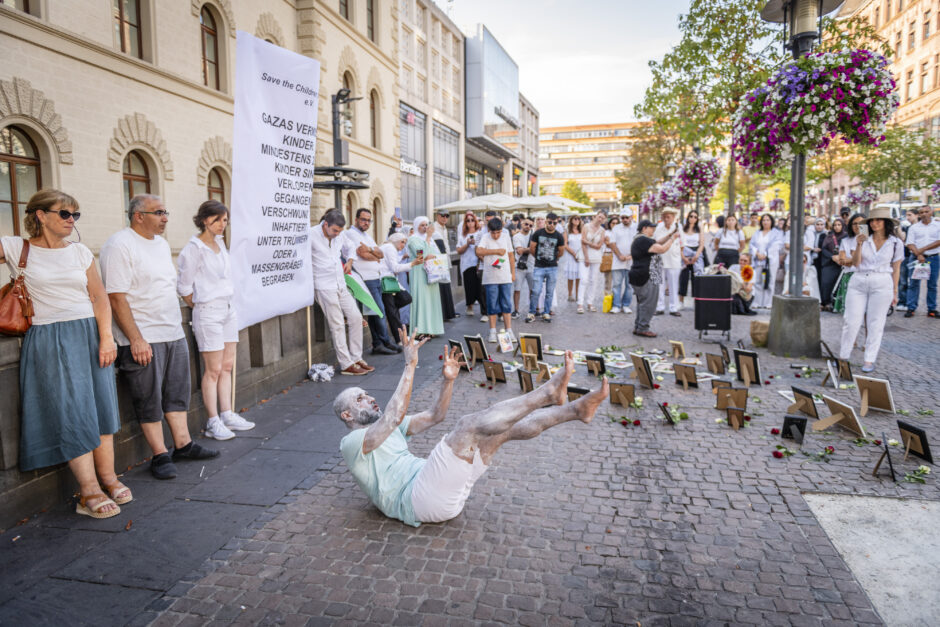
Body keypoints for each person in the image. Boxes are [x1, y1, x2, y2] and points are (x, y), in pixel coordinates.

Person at [335, 330, 608, 527]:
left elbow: (435, 415)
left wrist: (448, 381)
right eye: (360, 398)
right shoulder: (352, 443)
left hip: (439, 491)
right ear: (347, 414)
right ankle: (548, 393)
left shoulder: (389, 428)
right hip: (418, 499)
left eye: (367, 394)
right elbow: (393, 417)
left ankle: (575, 410)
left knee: (500, 431)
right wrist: (410, 364)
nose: (370, 398)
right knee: (467, 425)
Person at [1, 190, 127, 518]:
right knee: (72, 410)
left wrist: (106, 338)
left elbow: (99, 298)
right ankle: (88, 492)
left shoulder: (80, 251)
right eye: (64, 214)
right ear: (41, 215)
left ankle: (110, 478)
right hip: (50, 336)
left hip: (89, 333)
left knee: (100, 406)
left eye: (75, 215)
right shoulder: (17, 247)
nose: (71, 220)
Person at [101, 194, 219, 480]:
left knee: (176, 393)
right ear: (138, 215)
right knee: (148, 397)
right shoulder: (119, 244)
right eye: (158, 212)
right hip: (143, 336)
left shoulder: (162, 244)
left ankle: (183, 444)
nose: (165, 217)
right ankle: (159, 454)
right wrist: (136, 339)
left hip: (171, 330)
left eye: (166, 211)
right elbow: (116, 297)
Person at [176, 200, 255, 441]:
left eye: (225, 220)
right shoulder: (193, 249)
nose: (222, 225)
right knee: (213, 369)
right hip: (208, 311)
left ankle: (227, 413)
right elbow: (184, 287)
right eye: (218, 219)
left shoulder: (220, 244)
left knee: (228, 366)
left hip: (228, 309)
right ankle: (213, 421)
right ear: (204, 220)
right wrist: (203, 305)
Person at [839, 208, 904, 372]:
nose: (874, 223)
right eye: (872, 221)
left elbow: (896, 268)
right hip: (859, 278)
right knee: (851, 320)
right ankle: (843, 356)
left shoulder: (895, 243)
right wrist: (860, 244)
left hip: (882, 280)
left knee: (876, 322)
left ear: (886, 223)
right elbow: (856, 263)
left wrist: (895, 292)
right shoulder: (861, 239)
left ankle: (869, 359)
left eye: (879, 220)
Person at [311, 209, 372, 376]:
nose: (337, 234)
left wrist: (350, 261)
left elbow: (351, 247)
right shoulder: (311, 235)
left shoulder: (340, 234)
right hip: (323, 285)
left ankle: (356, 357)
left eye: (339, 231)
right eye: (334, 231)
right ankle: (346, 364)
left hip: (340, 283)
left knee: (356, 317)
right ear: (325, 224)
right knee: (337, 323)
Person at [343, 208, 399, 356]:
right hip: (365, 279)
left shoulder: (366, 236)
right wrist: (373, 253)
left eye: (369, 220)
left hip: (375, 277)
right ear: (356, 219)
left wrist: (372, 251)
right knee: (379, 312)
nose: (366, 222)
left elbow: (381, 254)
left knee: (374, 313)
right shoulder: (351, 234)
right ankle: (384, 341)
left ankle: (379, 344)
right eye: (363, 219)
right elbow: (363, 254)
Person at [629, 219, 681, 338]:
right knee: (648, 303)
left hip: (640, 274)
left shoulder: (641, 239)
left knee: (643, 302)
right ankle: (643, 327)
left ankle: (639, 326)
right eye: (651, 227)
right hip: (646, 275)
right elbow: (661, 249)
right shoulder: (643, 240)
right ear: (644, 229)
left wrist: (670, 235)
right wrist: (673, 239)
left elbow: (658, 242)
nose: (653, 229)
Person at [476, 216, 516, 343]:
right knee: (492, 305)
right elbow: (478, 251)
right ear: (489, 230)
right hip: (490, 277)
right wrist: (496, 251)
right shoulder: (485, 237)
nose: (496, 235)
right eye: (493, 232)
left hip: (505, 276)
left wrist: (513, 273)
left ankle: (509, 330)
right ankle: (492, 331)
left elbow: (510, 255)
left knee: (506, 304)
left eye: (498, 232)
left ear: (501, 230)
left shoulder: (506, 236)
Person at [378, 232, 422, 344]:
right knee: (398, 306)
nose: (403, 245)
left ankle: (401, 338)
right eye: (402, 242)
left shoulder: (388, 247)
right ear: (396, 241)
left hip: (388, 281)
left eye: (405, 243)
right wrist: (412, 264)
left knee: (403, 301)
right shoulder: (390, 247)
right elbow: (395, 267)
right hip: (386, 282)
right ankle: (400, 339)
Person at [407, 216, 444, 338]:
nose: (425, 227)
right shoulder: (413, 239)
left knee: (431, 301)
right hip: (419, 273)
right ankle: (420, 330)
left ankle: (431, 329)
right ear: (416, 226)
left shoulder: (430, 239)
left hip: (432, 273)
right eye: (422, 225)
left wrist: (428, 244)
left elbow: (436, 254)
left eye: (426, 224)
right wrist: (428, 238)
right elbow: (421, 254)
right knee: (421, 300)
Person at [526, 212, 566, 323]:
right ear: (546, 221)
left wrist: (554, 258)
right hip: (539, 267)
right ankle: (532, 312)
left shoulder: (559, 236)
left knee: (549, 292)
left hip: (552, 267)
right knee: (536, 291)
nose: (552, 224)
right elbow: (532, 248)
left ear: (557, 223)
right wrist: (538, 258)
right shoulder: (538, 233)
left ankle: (546, 312)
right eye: (549, 222)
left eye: (554, 223)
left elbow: (561, 251)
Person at [904, 205, 940, 318]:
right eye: (921, 212)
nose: (924, 214)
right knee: (913, 284)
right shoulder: (914, 228)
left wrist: (923, 250)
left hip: (933, 258)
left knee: (932, 285)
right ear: (919, 214)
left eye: (926, 211)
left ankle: (932, 309)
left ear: (931, 212)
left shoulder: (938, 226)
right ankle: (911, 308)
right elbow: (910, 243)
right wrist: (919, 254)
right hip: (916, 258)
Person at [654, 208, 682, 316]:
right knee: (659, 285)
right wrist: (670, 235)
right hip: (660, 259)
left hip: (674, 260)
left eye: (668, 217)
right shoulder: (659, 227)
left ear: (673, 217)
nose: (666, 219)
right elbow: (656, 241)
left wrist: (680, 257)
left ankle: (673, 307)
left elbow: (682, 244)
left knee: (673, 285)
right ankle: (660, 307)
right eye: (664, 217)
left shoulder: (678, 227)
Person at [749, 214, 781, 309]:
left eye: (767, 220)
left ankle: (768, 302)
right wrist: (757, 253)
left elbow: (777, 245)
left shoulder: (776, 233)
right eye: (764, 220)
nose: (765, 222)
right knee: (758, 280)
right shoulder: (757, 233)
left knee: (770, 281)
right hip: (758, 260)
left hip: (770, 260)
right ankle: (757, 302)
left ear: (771, 221)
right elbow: (752, 245)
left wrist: (766, 254)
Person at [606, 211, 636, 314]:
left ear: (631, 217)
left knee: (630, 285)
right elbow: (612, 243)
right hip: (617, 260)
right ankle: (616, 305)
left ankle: (626, 305)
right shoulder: (616, 228)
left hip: (632, 261)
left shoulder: (636, 228)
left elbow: (638, 243)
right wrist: (619, 255)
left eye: (626, 217)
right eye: (622, 218)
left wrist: (631, 255)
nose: (625, 220)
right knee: (616, 284)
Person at [577, 211, 607, 313]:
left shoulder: (602, 230)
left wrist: (588, 242)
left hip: (597, 257)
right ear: (595, 216)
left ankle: (590, 303)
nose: (600, 219)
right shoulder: (586, 226)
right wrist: (586, 257)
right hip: (584, 256)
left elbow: (599, 246)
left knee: (593, 280)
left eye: (602, 218)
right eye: (599, 217)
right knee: (584, 279)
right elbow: (582, 242)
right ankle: (580, 304)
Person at [431, 210, 458, 321]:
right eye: (443, 216)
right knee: (441, 288)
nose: (445, 218)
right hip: (438, 262)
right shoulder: (434, 227)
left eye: (447, 216)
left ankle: (448, 312)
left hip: (444, 260)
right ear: (438, 216)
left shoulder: (444, 228)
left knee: (446, 286)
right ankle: (442, 313)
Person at [457, 212, 484, 317]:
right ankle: (470, 305)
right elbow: (459, 250)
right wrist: (467, 244)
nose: (470, 222)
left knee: (480, 287)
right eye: (468, 220)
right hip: (467, 264)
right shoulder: (462, 236)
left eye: (472, 220)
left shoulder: (480, 234)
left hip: (478, 263)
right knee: (469, 286)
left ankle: (484, 309)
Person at [818, 217, 847, 312]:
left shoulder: (846, 236)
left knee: (837, 284)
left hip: (841, 264)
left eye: (839, 225)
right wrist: (832, 257)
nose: (837, 227)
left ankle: (835, 304)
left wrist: (841, 257)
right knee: (826, 283)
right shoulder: (829, 236)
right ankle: (825, 302)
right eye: (835, 225)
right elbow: (824, 249)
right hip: (829, 263)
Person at [677, 210, 705, 310]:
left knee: (696, 278)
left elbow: (701, 244)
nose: (693, 218)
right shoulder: (683, 229)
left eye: (695, 217)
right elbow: (679, 243)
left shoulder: (699, 229)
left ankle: (696, 300)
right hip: (684, 252)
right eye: (691, 216)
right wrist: (683, 257)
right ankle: (681, 301)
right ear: (688, 217)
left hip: (695, 254)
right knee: (683, 278)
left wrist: (696, 256)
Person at [511, 218, 534, 318]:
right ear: (521, 224)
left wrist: (525, 249)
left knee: (533, 290)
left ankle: (532, 310)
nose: (528, 226)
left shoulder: (533, 235)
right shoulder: (516, 237)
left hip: (532, 265)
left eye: (530, 225)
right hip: (519, 267)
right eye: (526, 224)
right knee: (517, 289)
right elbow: (519, 251)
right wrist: (531, 249)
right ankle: (516, 310)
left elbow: (523, 250)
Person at [897, 209, 919, 310]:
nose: (908, 217)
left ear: (916, 215)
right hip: (906, 255)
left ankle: (911, 303)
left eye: (910, 215)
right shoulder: (907, 228)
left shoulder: (920, 227)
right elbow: (903, 238)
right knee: (902, 281)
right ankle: (902, 301)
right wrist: (898, 228)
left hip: (916, 255)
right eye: (907, 215)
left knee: (914, 282)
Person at [563, 215, 583, 302]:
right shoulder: (567, 231)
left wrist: (581, 254)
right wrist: (574, 254)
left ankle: (578, 294)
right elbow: (565, 244)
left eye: (579, 219)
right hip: (571, 255)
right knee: (570, 277)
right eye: (575, 219)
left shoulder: (582, 230)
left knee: (579, 276)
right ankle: (570, 294)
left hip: (580, 255)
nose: (577, 220)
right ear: (571, 220)